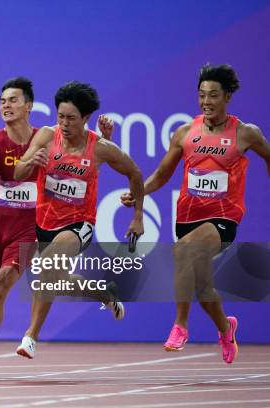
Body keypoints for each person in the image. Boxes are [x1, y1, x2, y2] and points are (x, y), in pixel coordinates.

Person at [0, 77, 115, 379]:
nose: (6, 105)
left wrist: (104, 137)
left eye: (13, 100)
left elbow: (86, 159)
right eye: (2, 100)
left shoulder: (51, 137)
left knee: (0, 286)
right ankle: (99, 290)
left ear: (29, 106)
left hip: (33, 228)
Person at [121, 63, 270, 364]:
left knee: (182, 251)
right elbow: (162, 174)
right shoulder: (185, 132)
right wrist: (139, 193)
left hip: (224, 217)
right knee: (203, 289)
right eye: (202, 95)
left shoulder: (246, 133)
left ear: (227, 96)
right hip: (188, 216)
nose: (206, 101)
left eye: (213, 95)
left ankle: (180, 325)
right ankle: (226, 328)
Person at [13, 81, 144, 359]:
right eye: (60, 116)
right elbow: (18, 173)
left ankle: (31, 337)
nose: (64, 123)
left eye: (71, 118)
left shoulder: (100, 148)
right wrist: (30, 162)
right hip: (44, 221)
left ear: (86, 118)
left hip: (78, 224)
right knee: (56, 280)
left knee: (47, 271)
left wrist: (137, 216)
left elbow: (134, 173)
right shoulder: (47, 136)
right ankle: (104, 294)